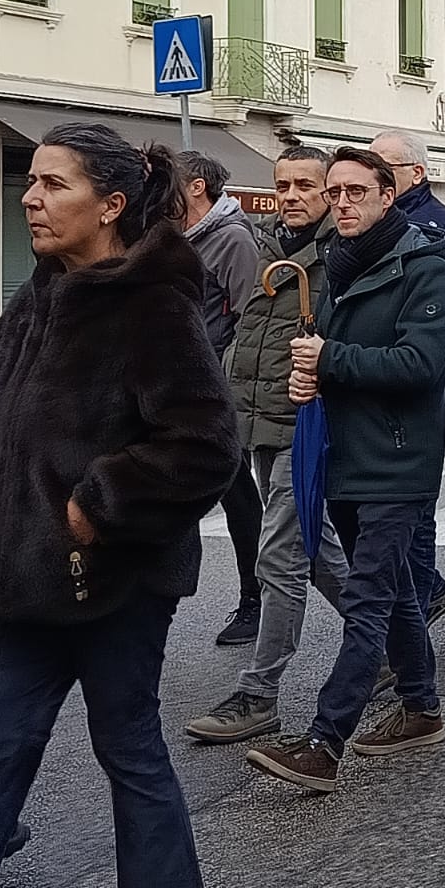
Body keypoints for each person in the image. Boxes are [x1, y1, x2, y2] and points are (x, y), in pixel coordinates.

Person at [0, 123, 241, 885]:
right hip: (23, 576)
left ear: (109, 205)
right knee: (3, 738)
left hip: (115, 580)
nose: (31, 199)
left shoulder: (153, 303)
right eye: (31, 182)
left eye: (53, 184)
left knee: (128, 747)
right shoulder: (41, 293)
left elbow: (204, 444)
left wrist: (95, 508)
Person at [246, 148, 445, 793]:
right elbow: (330, 358)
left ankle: (323, 742)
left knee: (366, 602)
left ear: (387, 196)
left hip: (397, 462)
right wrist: (309, 382)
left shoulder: (425, 266)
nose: (341, 202)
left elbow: (421, 365)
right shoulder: (337, 264)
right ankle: (421, 708)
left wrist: (329, 359)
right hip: (343, 457)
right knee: (395, 593)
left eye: (355, 192)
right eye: (334, 192)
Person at [187, 147, 351, 744]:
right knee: (317, 551)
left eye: (306, 185)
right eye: (283, 185)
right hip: (258, 422)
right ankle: (390, 644)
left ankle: (259, 693)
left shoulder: (340, 256)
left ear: (328, 191)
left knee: (279, 556)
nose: (292, 195)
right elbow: (242, 331)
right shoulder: (265, 247)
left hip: (307, 426)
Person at [370, 130, 445, 623]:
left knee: (413, 513)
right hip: (373, 392)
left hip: (420, 393)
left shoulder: (443, 227)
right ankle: (421, 597)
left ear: (416, 173)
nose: (373, 177)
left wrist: (422, 359)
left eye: (384, 168)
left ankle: (417, 616)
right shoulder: (375, 224)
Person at [177, 149, 266, 647]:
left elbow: (252, 317)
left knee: (239, 496)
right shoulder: (176, 238)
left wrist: (227, 376)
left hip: (220, 387)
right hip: (183, 386)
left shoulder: (231, 238)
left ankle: (256, 599)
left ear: (196, 187)